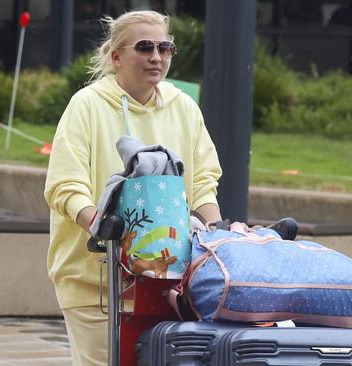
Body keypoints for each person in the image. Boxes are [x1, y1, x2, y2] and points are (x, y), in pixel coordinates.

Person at [44, 10, 222, 365]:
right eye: (144, 47)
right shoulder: (87, 105)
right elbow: (66, 184)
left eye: (165, 47)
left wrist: (217, 232)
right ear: (116, 56)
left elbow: (203, 181)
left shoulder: (183, 107)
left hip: (168, 282)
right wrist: (99, 222)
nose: (156, 57)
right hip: (95, 283)